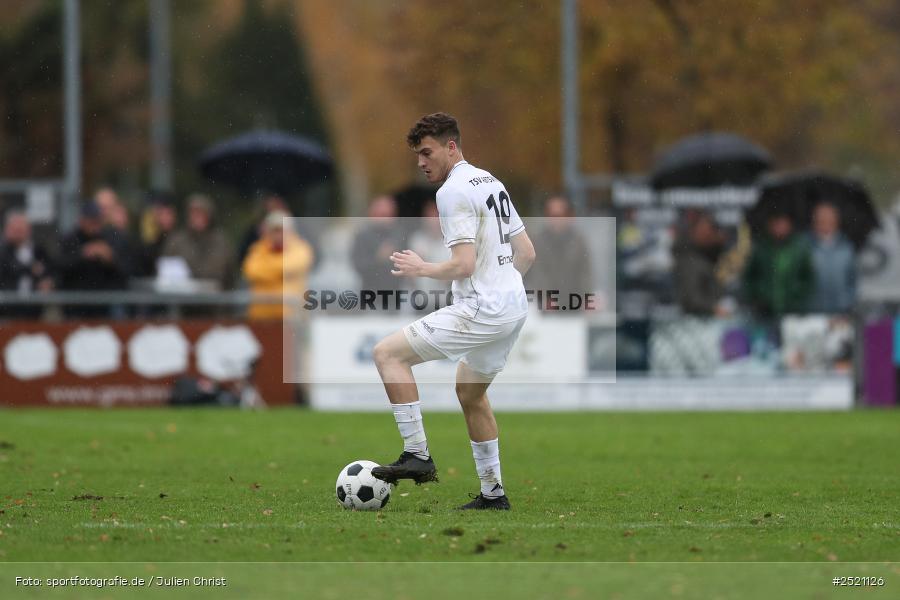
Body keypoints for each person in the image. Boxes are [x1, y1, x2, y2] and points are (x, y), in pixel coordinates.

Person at [370, 113, 536, 510]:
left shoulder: (451, 193)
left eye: (427, 152)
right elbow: (527, 253)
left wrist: (420, 267)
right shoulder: (489, 180)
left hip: (484, 307)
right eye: (417, 156)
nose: (422, 162)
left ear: (451, 147)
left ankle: (417, 455)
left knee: (387, 354)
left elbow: (462, 266)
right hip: (513, 306)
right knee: (470, 393)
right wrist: (502, 287)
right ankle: (494, 494)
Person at [57, 202, 129, 318]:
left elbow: (126, 270)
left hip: (104, 306)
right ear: (82, 220)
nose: (95, 225)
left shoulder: (111, 237)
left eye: (97, 220)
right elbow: (61, 266)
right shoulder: (70, 239)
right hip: (76, 306)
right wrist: (83, 254)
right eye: (91, 220)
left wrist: (110, 258)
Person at [242, 211, 315, 320]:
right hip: (262, 317)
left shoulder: (301, 248)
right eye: (275, 230)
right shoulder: (258, 249)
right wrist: (279, 272)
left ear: (290, 231)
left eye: (281, 230)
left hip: (292, 317)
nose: (278, 235)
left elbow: (292, 266)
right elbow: (251, 270)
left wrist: (267, 269)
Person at [525, 196, 592, 312]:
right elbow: (538, 273)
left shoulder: (578, 241)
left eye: (560, 215)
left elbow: (585, 273)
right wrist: (546, 297)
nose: (556, 220)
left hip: (575, 306)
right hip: (547, 309)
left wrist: (586, 298)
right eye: (551, 215)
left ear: (569, 216)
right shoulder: (538, 241)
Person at [743, 212, 814, 317]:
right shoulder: (761, 248)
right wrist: (759, 295)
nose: (780, 228)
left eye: (783, 224)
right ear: (770, 226)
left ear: (790, 225)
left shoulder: (799, 249)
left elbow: (808, 278)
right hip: (764, 311)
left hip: (793, 309)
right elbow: (749, 277)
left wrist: (797, 295)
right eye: (776, 224)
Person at [162, 193, 235, 290]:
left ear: (209, 216)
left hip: (214, 300)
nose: (196, 217)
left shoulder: (221, 242)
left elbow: (222, 272)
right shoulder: (177, 240)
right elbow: (166, 268)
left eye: (201, 213)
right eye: (193, 213)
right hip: (182, 300)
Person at [0, 211, 54, 319]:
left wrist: (48, 282)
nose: (18, 233)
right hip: (6, 309)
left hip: (34, 310)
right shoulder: (3, 251)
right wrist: (31, 269)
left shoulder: (39, 250)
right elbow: (9, 268)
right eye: (15, 229)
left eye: (21, 229)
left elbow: (50, 270)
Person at [673, 212, 727, 316]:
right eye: (703, 230)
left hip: (709, 317)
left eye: (711, 231)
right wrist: (712, 309)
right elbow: (691, 299)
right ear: (693, 232)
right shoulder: (689, 260)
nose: (708, 235)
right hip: (696, 321)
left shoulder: (711, 256)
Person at [351, 195, 406, 295]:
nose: (385, 219)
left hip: (396, 293)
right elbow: (359, 266)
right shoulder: (363, 236)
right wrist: (378, 258)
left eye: (388, 215)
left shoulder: (400, 234)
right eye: (381, 214)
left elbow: (406, 268)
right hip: (371, 293)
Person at [808, 202, 856, 313]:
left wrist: (848, 301)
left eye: (829, 217)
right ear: (814, 221)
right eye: (821, 218)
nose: (825, 221)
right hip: (811, 311)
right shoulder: (804, 247)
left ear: (836, 220)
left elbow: (853, 278)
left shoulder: (846, 247)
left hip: (841, 311)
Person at [407, 200, 450, 304]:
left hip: (446, 299)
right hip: (419, 298)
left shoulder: (452, 243)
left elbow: (454, 274)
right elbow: (409, 272)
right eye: (429, 217)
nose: (433, 221)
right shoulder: (416, 240)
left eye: (436, 217)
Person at [137, 190, 178, 277]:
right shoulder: (148, 241)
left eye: (168, 214)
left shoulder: (179, 239)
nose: (165, 218)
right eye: (160, 214)